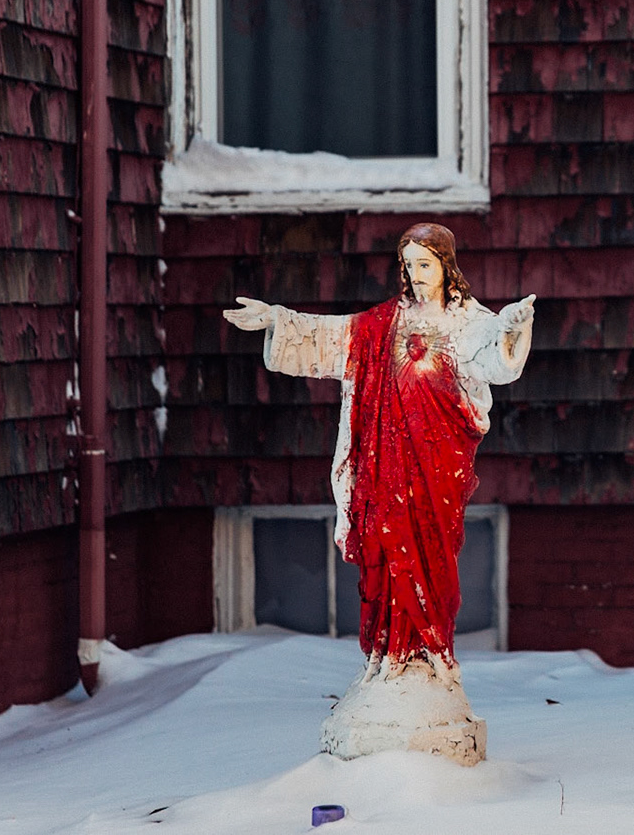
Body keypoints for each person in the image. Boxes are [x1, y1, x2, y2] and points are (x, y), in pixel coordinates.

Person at [223, 223, 534, 686]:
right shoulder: (384, 323)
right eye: (409, 264)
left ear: (447, 266)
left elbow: (496, 356)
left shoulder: (469, 321)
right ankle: (390, 655)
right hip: (385, 466)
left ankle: (431, 655)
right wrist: (278, 320)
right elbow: (335, 337)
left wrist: (512, 327)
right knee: (387, 551)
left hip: (437, 469)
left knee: (432, 555)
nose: (415, 272)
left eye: (425, 263)